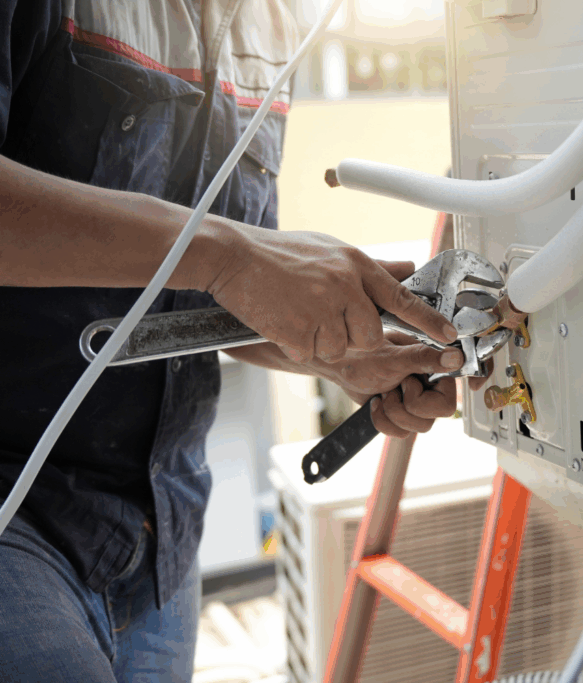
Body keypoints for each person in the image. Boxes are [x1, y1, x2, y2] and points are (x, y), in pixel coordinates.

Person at [0, 2, 481, 681]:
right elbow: (223, 260)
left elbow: (218, 294)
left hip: (160, 545)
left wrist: (339, 351)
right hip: (17, 509)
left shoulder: (275, 22)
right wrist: (230, 253)